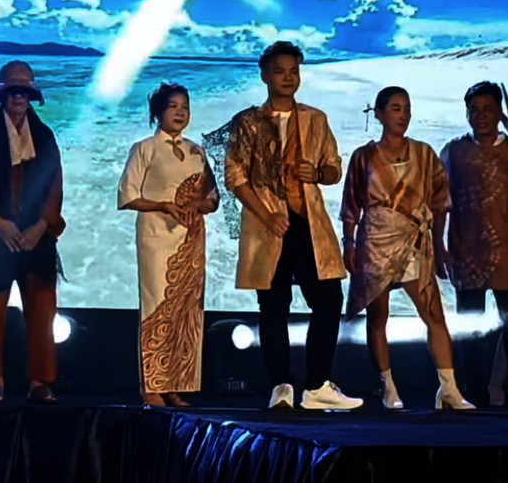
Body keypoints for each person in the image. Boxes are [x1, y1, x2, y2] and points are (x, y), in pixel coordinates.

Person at [217, 41, 361, 410]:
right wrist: (267, 214)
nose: (288, 77)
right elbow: (234, 176)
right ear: (265, 75)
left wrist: (318, 173)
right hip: (268, 225)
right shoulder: (248, 122)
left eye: (293, 71)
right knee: (273, 305)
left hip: (307, 221)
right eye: (280, 71)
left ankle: (316, 384)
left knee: (328, 299)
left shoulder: (315, 118)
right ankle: (280, 384)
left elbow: (333, 167)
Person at [342, 87, 474, 410]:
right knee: (378, 316)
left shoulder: (425, 153)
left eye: (407, 109)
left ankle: (449, 389)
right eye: (396, 108)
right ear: (379, 114)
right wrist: (348, 241)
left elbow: (442, 201)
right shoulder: (364, 156)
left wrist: (439, 244)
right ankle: (387, 387)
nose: (404, 115)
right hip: (375, 241)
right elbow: (351, 204)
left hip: (414, 240)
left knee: (434, 315)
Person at [437, 81, 508, 407]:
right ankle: (471, 391)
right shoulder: (453, 150)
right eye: (475, 110)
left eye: (488, 110)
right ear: (467, 114)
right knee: (469, 327)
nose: (481, 116)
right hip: (465, 249)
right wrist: (438, 248)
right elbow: (440, 201)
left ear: (500, 113)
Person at [0, 61, 65, 405]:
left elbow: (55, 186)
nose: (18, 97)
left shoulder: (45, 136)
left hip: (37, 236)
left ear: (31, 97)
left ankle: (40, 380)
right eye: (12, 91)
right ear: (2, 96)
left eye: (24, 91)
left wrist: (41, 225)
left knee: (42, 310)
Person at [118, 83, 220, 407]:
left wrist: (202, 205)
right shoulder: (144, 148)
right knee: (156, 307)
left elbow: (213, 196)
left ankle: (175, 383)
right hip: (157, 237)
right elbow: (128, 195)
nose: (180, 112)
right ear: (158, 112)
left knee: (186, 310)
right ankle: (151, 385)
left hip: (191, 237)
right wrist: (164, 205)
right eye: (173, 106)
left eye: (185, 107)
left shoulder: (197, 151)